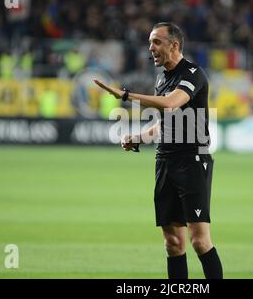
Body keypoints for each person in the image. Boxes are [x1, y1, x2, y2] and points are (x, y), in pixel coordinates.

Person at [94, 22, 223, 279]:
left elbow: (172, 104)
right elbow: (164, 123)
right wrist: (139, 137)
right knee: (173, 243)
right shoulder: (162, 78)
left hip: (193, 160)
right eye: (150, 42)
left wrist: (125, 95)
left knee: (199, 241)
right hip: (165, 161)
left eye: (156, 42)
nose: (150, 48)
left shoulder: (193, 73)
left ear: (174, 45)